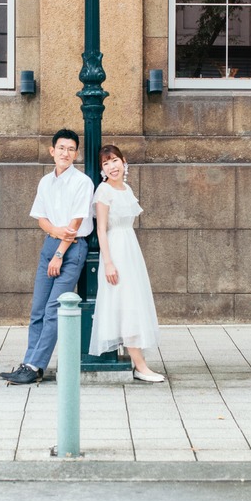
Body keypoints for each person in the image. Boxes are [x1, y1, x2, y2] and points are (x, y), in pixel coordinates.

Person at [0, 129, 94, 385]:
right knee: (38, 309)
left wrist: (60, 254)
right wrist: (53, 232)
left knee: (54, 309)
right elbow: (41, 217)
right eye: (61, 148)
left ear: (76, 154)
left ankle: (35, 365)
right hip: (50, 245)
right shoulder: (45, 182)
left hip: (72, 249)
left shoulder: (82, 182)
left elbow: (75, 224)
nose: (66, 153)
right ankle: (30, 362)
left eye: (71, 149)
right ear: (52, 151)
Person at [89, 145, 164, 383]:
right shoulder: (103, 191)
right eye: (106, 164)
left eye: (114, 161)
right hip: (116, 251)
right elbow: (101, 229)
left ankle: (137, 362)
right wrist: (109, 263)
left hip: (130, 249)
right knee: (127, 305)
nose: (112, 167)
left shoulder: (126, 189)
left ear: (124, 161)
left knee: (133, 302)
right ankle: (140, 366)